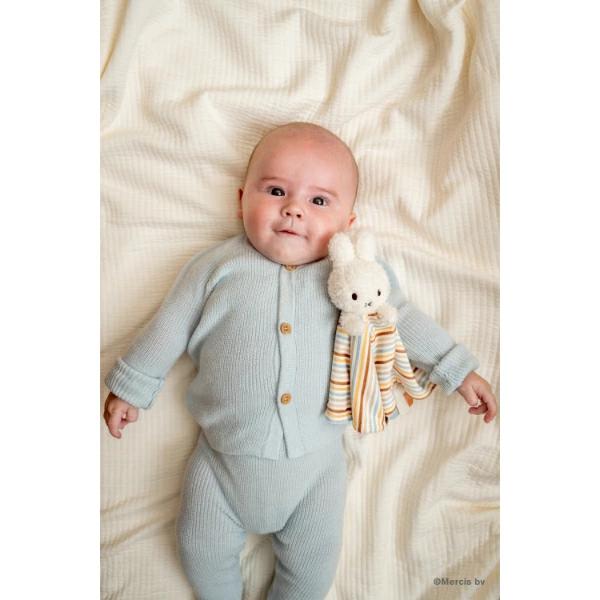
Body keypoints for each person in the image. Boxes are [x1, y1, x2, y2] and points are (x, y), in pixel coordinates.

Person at [103, 122, 497, 600]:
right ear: (241, 200)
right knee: (198, 548)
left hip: (316, 470)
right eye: (276, 191)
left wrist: (455, 369)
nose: (293, 209)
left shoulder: (354, 278)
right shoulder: (215, 268)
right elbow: (169, 327)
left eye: (319, 201)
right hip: (221, 462)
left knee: (312, 573)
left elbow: (400, 319)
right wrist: (132, 386)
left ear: (348, 223)